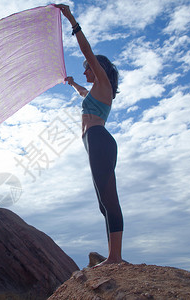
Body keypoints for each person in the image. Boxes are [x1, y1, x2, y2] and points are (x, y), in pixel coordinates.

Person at [55, 4, 124, 267]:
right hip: (93, 143)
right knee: (102, 204)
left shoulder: (103, 83)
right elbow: (84, 94)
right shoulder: (95, 92)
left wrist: (71, 19)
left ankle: (115, 258)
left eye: (87, 68)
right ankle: (113, 256)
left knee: (110, 200)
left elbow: (86, 50)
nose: (85, 70)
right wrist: (73, 84)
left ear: (99, 68)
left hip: (99, 141)